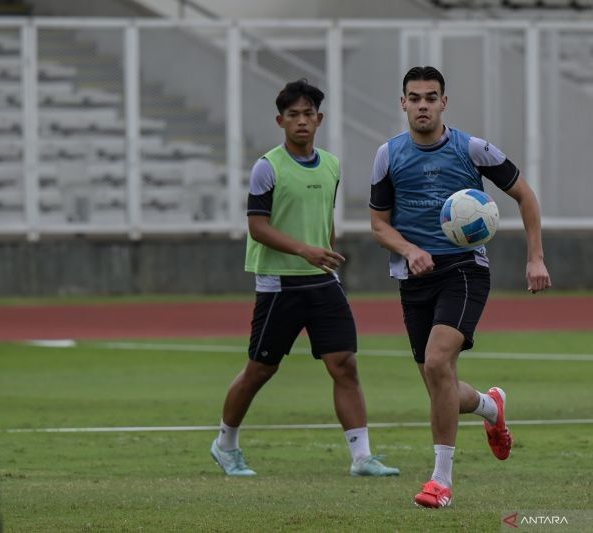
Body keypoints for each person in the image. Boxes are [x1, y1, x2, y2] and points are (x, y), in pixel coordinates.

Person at [369, 66, 551, 508]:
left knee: (436, 362)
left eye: (431, 97)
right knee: (440, 383)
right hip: (414, 278)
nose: (423, 105)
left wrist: (535, 257)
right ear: (403, 103)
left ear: (443, 103)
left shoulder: (472, 149)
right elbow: (378, 223)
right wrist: (409, 249)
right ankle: (490, 407)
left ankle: (440, 482)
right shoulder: (388, 155)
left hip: (465, 270)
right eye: (415, 98)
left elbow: (525, 194)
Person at [210, 78, 399, 478]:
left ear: (320, 119)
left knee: (344, 364)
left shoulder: (331, 165)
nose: (301, 121)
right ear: (280, 120)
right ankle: (225, 445)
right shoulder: (267, 167)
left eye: (308, 114)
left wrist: (324, 253)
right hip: (279, 284)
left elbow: (323, 219)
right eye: (293, 115)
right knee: (261, 369)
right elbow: (257, 227)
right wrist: (305, 250)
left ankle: (362, 457)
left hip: (323, 282)